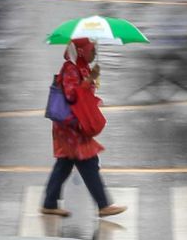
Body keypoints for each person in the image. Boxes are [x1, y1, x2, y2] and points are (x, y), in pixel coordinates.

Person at [41, 38, 127, 218]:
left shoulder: (79, 68)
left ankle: (49, 203)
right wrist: (90, 80)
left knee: (65, 164)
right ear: (81, 51)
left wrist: (91, 78)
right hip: (70, 125)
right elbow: (72, 95)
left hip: (72, 125)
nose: (94, 52)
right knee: (87, 162)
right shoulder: (70, 69)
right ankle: (103, 205)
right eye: (91, 49)